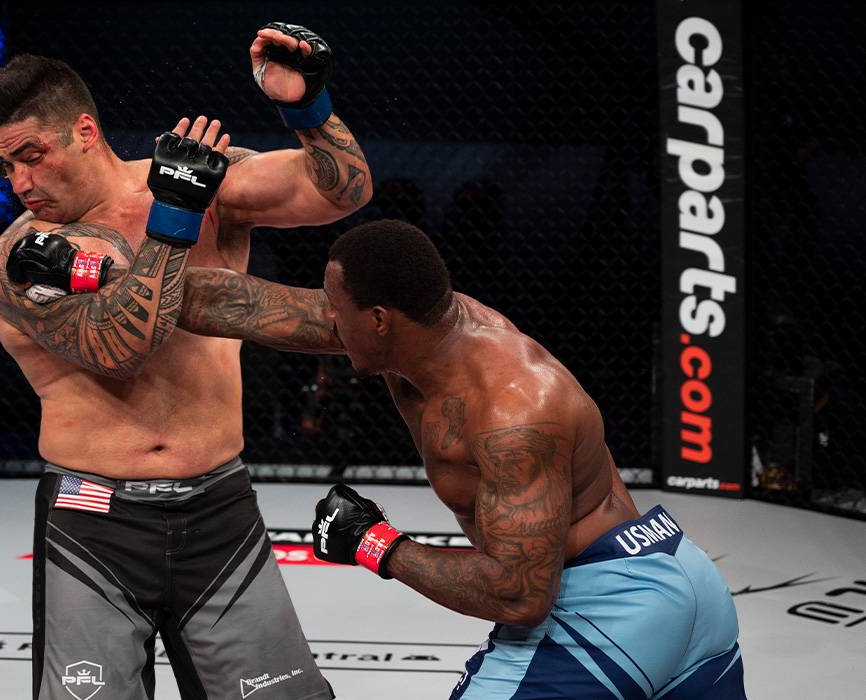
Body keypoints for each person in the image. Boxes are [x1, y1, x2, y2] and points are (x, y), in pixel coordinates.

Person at [176, 219, 747, 699]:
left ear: (378, 319)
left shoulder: (511, 411)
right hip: (670, 571)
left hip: (608, 610)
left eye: (336, 308)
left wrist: (374, 543)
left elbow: (519, 594)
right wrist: (132, 263)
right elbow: (243, 306)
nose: (326, 317)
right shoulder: (422, 332)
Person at [0, 22, 371, 700]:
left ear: (85, 131)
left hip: (220, 508)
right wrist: (175, 217)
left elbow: (342, 193)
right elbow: (121, 349)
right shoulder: (23, 256)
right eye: (6, 167)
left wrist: (308, 108)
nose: (20, 183)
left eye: (32, 156)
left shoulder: (198, 184)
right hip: (92, 522)